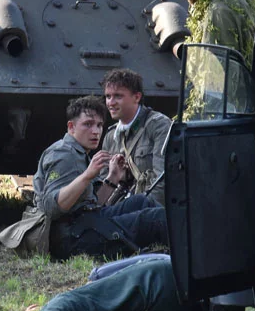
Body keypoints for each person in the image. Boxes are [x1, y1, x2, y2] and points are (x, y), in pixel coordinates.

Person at [29, 96, 167, 261]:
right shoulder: (63, 154)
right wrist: (88, 175)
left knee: (143, 202)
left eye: (99, 125)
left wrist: (112, 178)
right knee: (155, 219)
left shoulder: (79, 152)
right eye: (88, 124)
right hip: (70, 239)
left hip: (85, 223)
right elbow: (52, 208)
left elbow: (92, 204)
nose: (96, 131)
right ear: (71, 127)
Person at [0, 255, 212, 311]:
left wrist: (49, 310)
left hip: (163, 277)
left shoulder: (101, 274)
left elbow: (88, 288)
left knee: (73, 300)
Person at [101, 69, 173, 207]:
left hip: (148, 214)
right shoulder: (111, 137)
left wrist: (139, 214)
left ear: (137, 97)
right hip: (119, 212)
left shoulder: (158, 126)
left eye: (118, 96)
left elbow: (163, 183)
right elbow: (104, 184)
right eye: (108, 96)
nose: (111, 102)